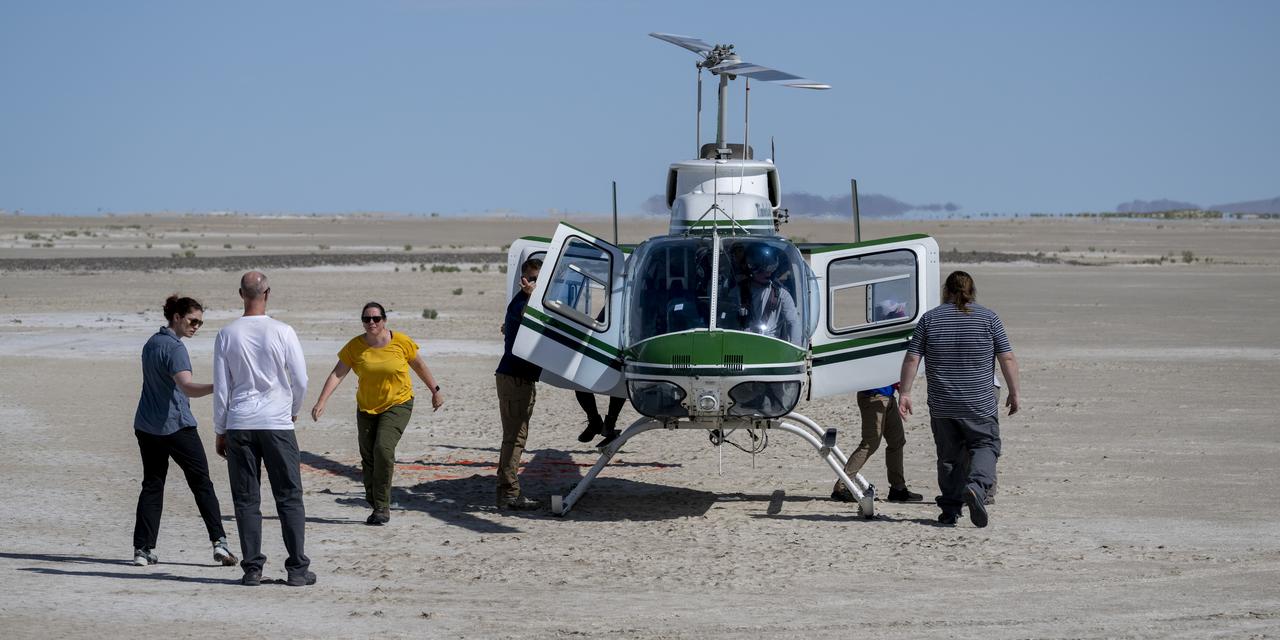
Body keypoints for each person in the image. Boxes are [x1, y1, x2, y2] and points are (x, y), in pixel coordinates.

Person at [213, 271, 313, 586]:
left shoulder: (227, 334)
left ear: (240, 294)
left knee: (246, 499)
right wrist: (292, 410)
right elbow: (301, 379)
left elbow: (222, 387)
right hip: (276, 424)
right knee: (289, 496)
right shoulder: (283, 331)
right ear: (267, 293)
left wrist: (221, 428)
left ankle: (252, 568)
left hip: (240, 423)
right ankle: (297, 569)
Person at [899, 271, 1021, 528]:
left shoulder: (929, 319)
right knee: (986, 445)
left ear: (946, 290)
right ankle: (976, 486)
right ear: (972, 290)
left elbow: (912, 358)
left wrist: (906, 393)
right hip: (979, 402)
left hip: (943, 404)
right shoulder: (989, 318)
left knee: (949, 457)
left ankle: (950, 511)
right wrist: (1013, 391)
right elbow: (1007, 357)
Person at [310, 302, 444, 526]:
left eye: (376, 318)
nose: (371, 322)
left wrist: (435, 391)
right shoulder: (355, 346)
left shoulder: (401, 341)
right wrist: (321, 401)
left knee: (383, 448)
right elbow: (337, 373)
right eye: (366, 319)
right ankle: (375, 499)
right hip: (366, 408)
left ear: (384, 320)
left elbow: (419, 365)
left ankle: (382, 506)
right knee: (369, 456)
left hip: (398, 403)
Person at [131, 294, 238, 568]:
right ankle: (220, 544)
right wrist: (219, 386)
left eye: (200, 323)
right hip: (176, 427)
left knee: (152, 485)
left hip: (146, 426)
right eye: (192, 321)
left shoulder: (151, 343)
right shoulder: (175, 348)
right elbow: (186, 386)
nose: (196, 327)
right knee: (202, 484)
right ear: (176, 317)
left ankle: (142, 550)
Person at [494, 257, 544, 511]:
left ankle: (506, 491)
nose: (534, 283)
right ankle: (509, 493)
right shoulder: (526, 304)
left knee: (514, 437)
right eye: (531, 278)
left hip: (516, 377)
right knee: (515, 439)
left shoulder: (525, 303)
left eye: (539, 279)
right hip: (515, 378)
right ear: (524, 279)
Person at [831, 384, 924, 504]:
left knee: (897, 441)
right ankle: (842, 486)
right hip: (873, 396)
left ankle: (898, 488)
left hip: (889, 396)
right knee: (870, 443)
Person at [725, 243, 800, 345]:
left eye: (770, 269)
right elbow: (726, 321)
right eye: (763, 270)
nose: (768, 273)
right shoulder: (737, 292)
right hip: (742, 344)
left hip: (770, 347)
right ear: (751, 269)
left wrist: (795, 351)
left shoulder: (782, 295)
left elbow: (793, 323)